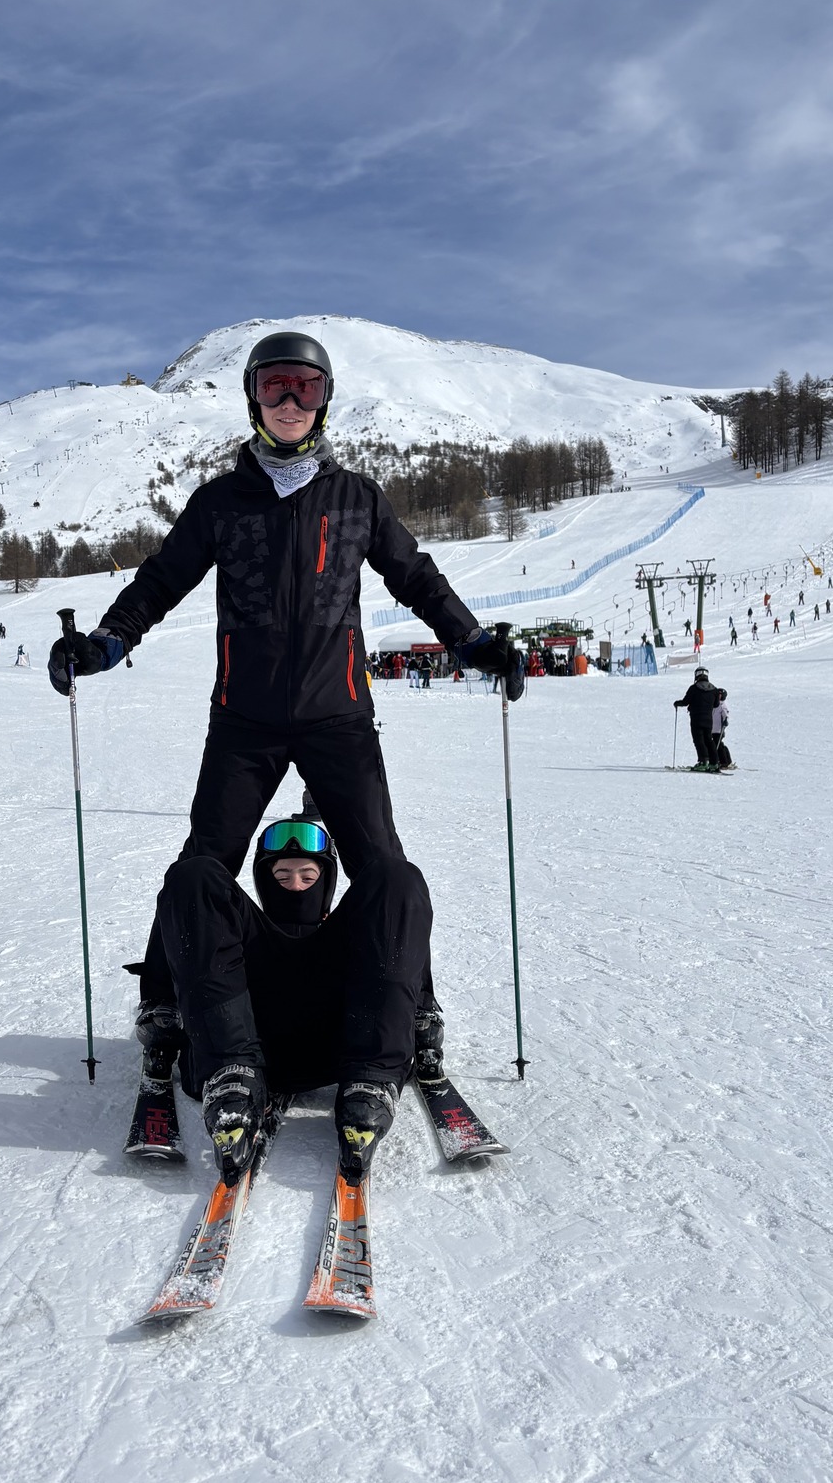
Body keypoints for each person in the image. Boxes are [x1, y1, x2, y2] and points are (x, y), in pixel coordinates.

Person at [51, 328, 523, 1180]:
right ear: (252, 399)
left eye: (306, 387)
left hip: (339, 717)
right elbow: (160, 579)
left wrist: (473, 641)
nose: (291, 402)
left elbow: (415, 576)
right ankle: (168, 1006)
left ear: (326, 399)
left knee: (384, 868)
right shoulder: (221, 502)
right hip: (247, 721)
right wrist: (108, 642)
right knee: (201, 865)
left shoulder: (357, 498)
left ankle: (409, 1010)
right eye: (275, 386)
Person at [151, 813, 435, 1182]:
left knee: (396, 876)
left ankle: (372, 1078)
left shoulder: (347, 933)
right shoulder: (243, 930)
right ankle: (228, 1077)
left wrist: (421, 1010)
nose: (295, 886)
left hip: (342, 1045)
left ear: (327, 881)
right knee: (194, 874)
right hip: (240, 1043)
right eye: (282, 877)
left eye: (308, 877)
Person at [674, 666, 728, 771]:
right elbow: (716, 704)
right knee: (709, 740)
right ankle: (714, 763)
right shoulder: (714, 690)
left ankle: (703, 761)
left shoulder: (694, 688)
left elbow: (685, 702)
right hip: (708, 719)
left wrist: (677, 703)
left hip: (696, 718)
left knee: (699, 740)